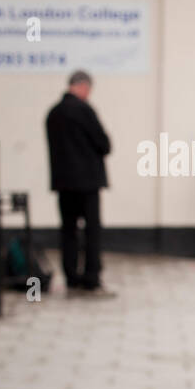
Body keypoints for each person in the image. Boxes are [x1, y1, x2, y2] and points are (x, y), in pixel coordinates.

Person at [45, 69, 113, 297]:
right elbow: (104, 144)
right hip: (88, 182)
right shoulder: (84, 110)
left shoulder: (53, 114)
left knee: (68, 230)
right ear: (83, 86)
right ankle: (91, 278)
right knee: (92, 230)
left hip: (64, 183)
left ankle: (71, 276)